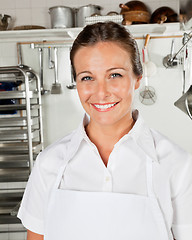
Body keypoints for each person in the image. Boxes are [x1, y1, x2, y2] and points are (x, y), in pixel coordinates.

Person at [17, 22, 192, 240]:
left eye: (115, 75)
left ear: (137, 79)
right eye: (87, 78)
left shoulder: (177, 164)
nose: (101, 93)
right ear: (77, 84)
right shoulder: (49, 162)